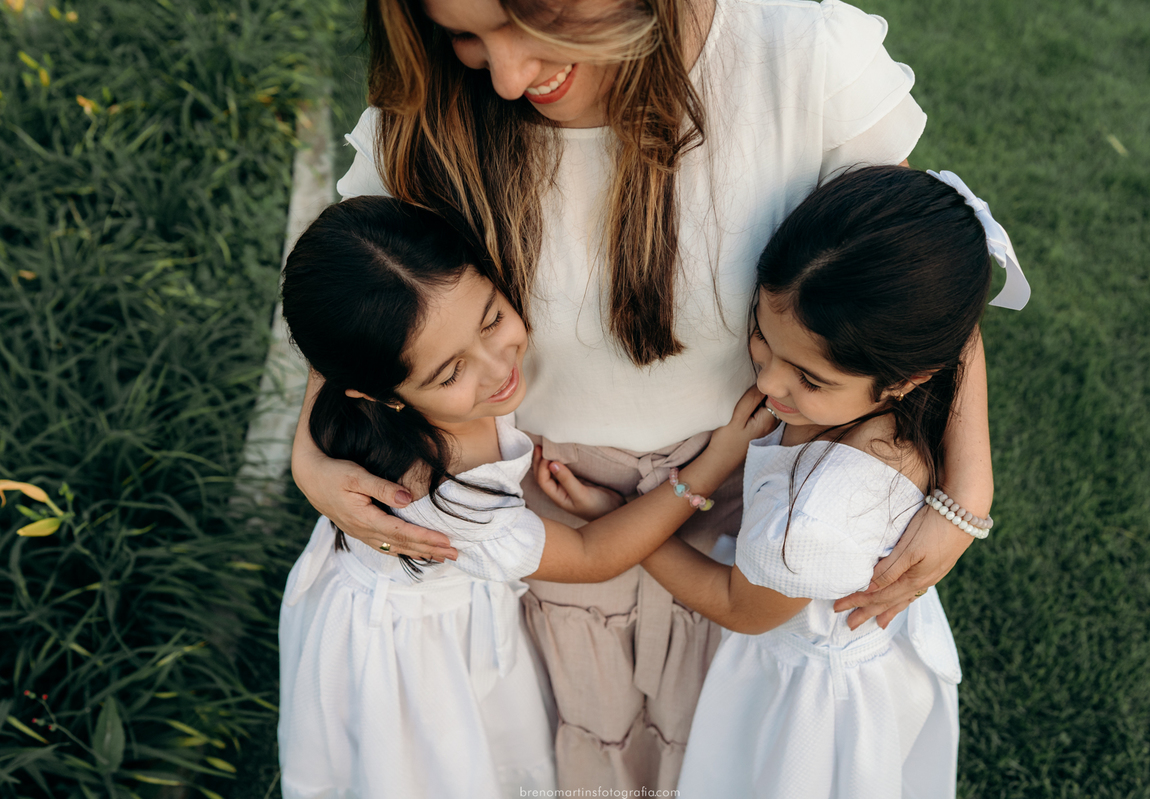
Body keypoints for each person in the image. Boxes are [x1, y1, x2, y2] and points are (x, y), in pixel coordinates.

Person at [294, 0, 998, 788]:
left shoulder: (801, 55)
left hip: (740, 520)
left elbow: (919, 271)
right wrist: (308, 454)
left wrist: (967, 484)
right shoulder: (436, 112)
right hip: (544, 521)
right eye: (464, 34)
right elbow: (360, 294)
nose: (507, 74)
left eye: (531, 22)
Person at [538, 165, 1030, 797]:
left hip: (805, 707)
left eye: (809, 378)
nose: (769, 385)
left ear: (905, 378)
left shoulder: (816, 524)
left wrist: (626, 521)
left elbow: (741, 608)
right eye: (762, 342)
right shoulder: (889, 415)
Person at [275, 197, 773, 799]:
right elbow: (591, 555)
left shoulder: (400, 407)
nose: (497, 368)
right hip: (420, 661)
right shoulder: (452, 498)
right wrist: (714, 461)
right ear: (380, 395)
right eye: (449, 374)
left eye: (490, 320)